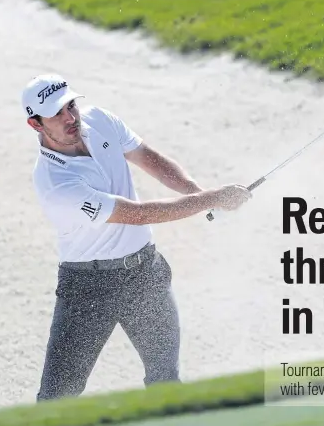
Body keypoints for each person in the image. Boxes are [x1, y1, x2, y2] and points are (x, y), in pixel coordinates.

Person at [21, 74, 251, 401]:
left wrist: (197, 194)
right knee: (57, 397)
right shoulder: (55, 182)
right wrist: (212, 199)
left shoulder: (100, 121)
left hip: (144, 274)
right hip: (88, 288)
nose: (70, 117)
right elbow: (137, 214)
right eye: (56, 113)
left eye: (71, 105)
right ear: (35, 124)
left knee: (165, 379)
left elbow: (150, 159)